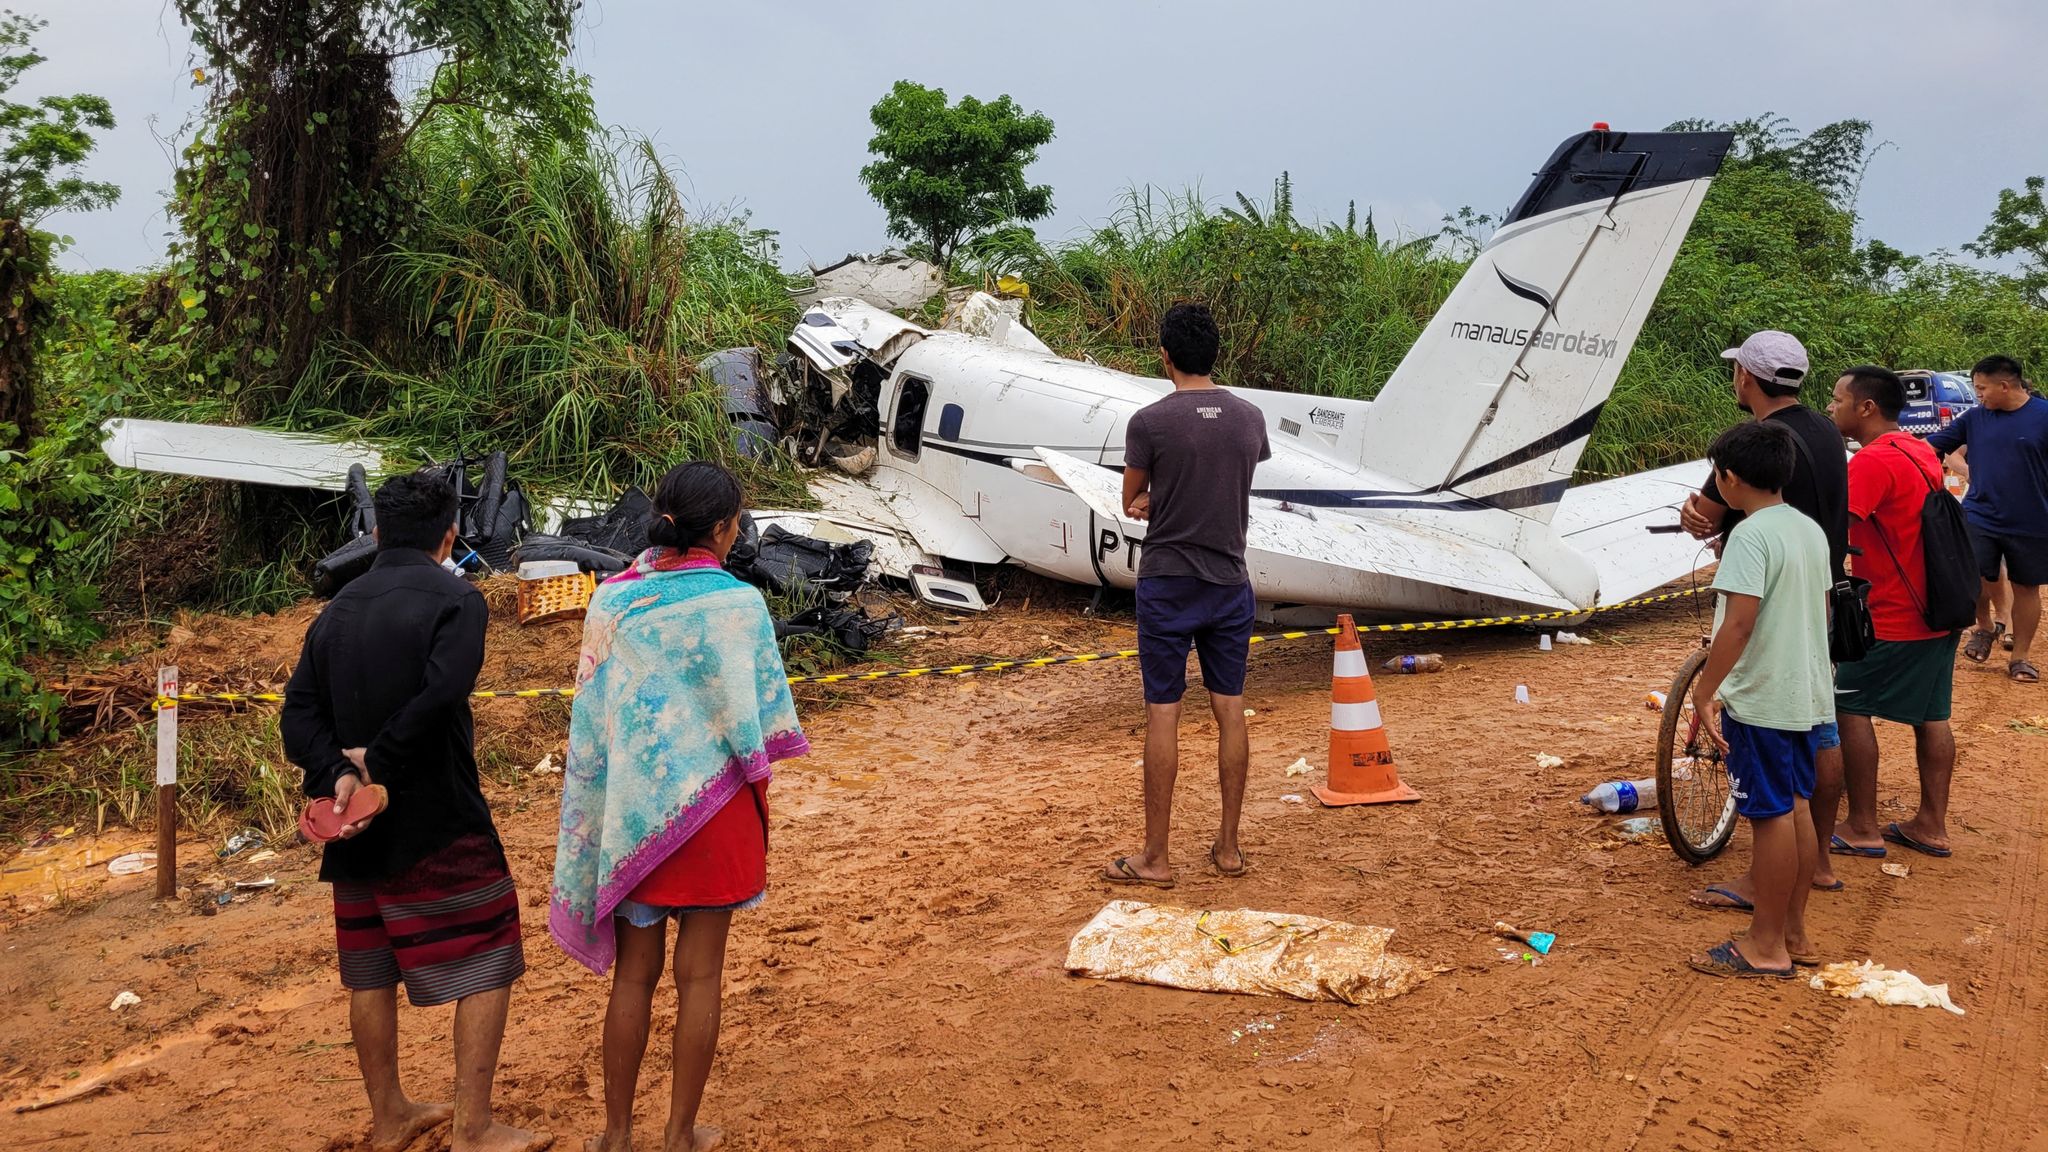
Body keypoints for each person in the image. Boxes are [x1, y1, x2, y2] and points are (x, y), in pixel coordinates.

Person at [282, 471, 545, 1152]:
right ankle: (474, 1126)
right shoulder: (458, 600)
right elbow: (441, 694)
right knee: (490, 952)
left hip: (354, 823)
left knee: (369, 969)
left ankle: (389, 1114)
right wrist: (380, 763)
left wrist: (339, 772)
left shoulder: (334, 611)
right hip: (440, 817)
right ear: (450, 534)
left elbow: (298, 716)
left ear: (375, 533)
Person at [550, 461, 809, 1152]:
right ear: (723, 530)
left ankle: (613, 1135)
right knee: (701, 978)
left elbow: (596, 723)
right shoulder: (739, 605)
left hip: (635, 816)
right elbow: (760, 718)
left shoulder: (612, 601)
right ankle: (679, 1133)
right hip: (716, 814)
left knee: (634, 977)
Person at [1103, 301, 1271, 887]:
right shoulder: (1250, 418)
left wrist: (1156, 501)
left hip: (1168, 582)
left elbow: (1132, 500)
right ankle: (1227, 848)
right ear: (1214, 355)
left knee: (1163, 713)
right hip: (1229, 581)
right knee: (1230, 710)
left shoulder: (1149, 423)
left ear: (1165, 357)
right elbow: (1234, 483)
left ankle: (1156, 857)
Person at [1680, 331, 1851, 904]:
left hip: (1767, 647)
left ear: (1746, 378)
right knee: (1807, 768)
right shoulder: (1828, 432)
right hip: (1813, 617)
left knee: (1773, 805)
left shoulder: (1753, 449)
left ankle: (1768, 914)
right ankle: (1815, 871)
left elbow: (1738, 622)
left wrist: (1708, 691)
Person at [1686, 421, 1835, 978]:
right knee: (1793, 805)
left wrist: (1706, 691)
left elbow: (1739, 622)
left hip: (1763, 697)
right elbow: (1820, 615)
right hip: (1805, 692)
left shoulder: (1748, 537)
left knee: (1769, 816)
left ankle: (1765, 945)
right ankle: (1792, 930)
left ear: (1727, 479)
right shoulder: (1808, 530)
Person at [1826, 366, 1961, 859]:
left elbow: (1834, 531)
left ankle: (1861, 824)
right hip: (1939, 607)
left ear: (1866, 407)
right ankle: (1931, 824)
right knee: (1931, 714)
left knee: (1850, 708)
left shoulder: (1870, 463)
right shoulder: (1919, 448)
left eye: (1837, 398)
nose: (1831, 407)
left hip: (1892, 613)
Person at [1928, 354, 2048, 682]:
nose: (1978, 394)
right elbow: (1930, 447)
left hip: (2033, 519)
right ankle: (1984, 626)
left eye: (1982, 388)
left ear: (2005, 385)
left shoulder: (2044, 416)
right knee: (1972, 572)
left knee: (2026, 587)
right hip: (1980, 513)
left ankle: (2021, 657)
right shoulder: (1974, 419)